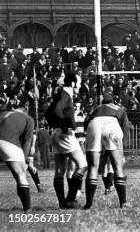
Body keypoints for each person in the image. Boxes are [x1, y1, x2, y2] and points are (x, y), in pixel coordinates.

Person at [45, 73, 87, 208]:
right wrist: (65, 126)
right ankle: (70, 199)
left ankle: (63, 203)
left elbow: (48, 113)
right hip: (64, 134)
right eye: (79, 84)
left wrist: (56, 125)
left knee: (60, 170)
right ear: (73, 84)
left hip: (56, 133)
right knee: (83, 165)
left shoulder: (60, 94)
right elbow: (57, 110)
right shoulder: (65, 95)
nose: (79, 87)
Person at [82, 93, 129, 209]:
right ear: (113, 102)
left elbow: (86, 122)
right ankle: (123, 202)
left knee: (93, 167)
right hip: (111, 126)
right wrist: (122, 150)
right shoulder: (120, 109)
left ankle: (88, 204)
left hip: (94, 125)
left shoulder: (96, 109)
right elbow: (125, 128)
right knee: (117, 167)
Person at [0, 99, 35, 211]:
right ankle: (28, 210)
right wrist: (24, 160)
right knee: (21, 174)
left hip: (4, 141)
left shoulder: (3, 113)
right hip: (7, 141)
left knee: (17, 172)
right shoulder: (28, 118)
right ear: (26, 110)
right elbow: (27, 140)